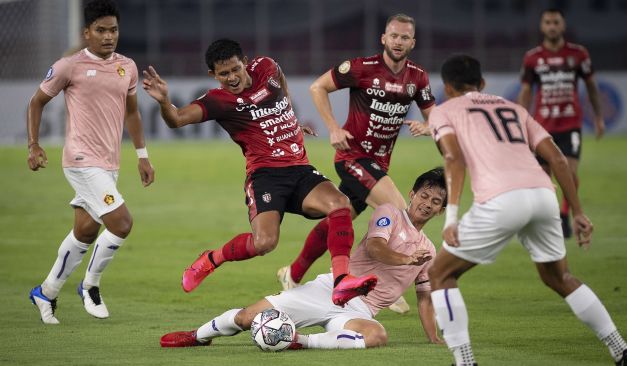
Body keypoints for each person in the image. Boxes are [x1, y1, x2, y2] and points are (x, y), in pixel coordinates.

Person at [427, 55, 627, 366]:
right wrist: (578, 212)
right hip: (543, 195)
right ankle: (623, 351)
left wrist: (451, 217)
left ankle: (465, 361)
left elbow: (453, 159)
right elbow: (558, 160)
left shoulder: (443, 111)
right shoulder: (514, 109)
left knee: (440, 273)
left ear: (446, 87)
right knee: (560, 276)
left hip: (501, 199)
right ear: (482, 83)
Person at [142, 39, 377, 306]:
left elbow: (281, 84)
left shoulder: (266, 67)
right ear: (213, 75)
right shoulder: (218, 101)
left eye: (235, 69)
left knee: (340, 204)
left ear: (245, 62)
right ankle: (211, 259)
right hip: (265, 176)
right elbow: (177, 119)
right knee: (264, 243)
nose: (231, 78)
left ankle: (341, 280)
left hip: (299, 169)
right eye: (223, 74)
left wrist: (290, 117)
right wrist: (164, 102)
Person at [159, 168, 447, 349]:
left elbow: (425, 298)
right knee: (248, 317)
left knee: (376, 336)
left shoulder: (429, 251)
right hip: (330, 291)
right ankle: (196, 336)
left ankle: (300, 341)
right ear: (412, 194)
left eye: (435, 202)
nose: (427, 204)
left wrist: (432, 337)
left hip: (360, 312)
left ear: (440, 211)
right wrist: (407, 260)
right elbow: (375, 249)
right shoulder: (390, 213)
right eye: (424, 195)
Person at [277, 13, 435, 314]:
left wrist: (428, 127)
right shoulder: (362, 68)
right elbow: (317, 87)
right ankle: (387, 279)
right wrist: (334, 128)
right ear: (383, 39)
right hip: (352, 157)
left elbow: (434, 116)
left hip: (379, 164)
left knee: (340, 218)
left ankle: (293, 274)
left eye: (404, 37)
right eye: (394, 35)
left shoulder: (418, 77)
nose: (398, 41)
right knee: (401, 212)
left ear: (412, 43)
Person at [27, 0, 155, 325]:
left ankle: (46, 291)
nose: (108, 36)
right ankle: (90, 286)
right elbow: (37, 101)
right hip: (81, 160)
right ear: (87, 33)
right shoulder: (69, 66)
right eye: (101, 30)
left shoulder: (127, 66)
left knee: (85, 231)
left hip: (109, 164)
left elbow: (132, 112)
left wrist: (142, 156)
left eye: (113, 29)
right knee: (122, 223)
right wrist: (33, 145)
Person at [517, 8, 605, 238]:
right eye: (548, 22)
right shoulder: (532, 58)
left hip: (570, 124)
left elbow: (592, 87)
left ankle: (565, 216)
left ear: (563, 25)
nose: (552, 26)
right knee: (544, 178)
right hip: (542, 126)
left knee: (570, 171)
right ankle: (550, 217)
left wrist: (598, 116)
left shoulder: (578, 54)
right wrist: (520, 121)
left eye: (556, 22)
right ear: (542, 26)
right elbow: (526, 92)